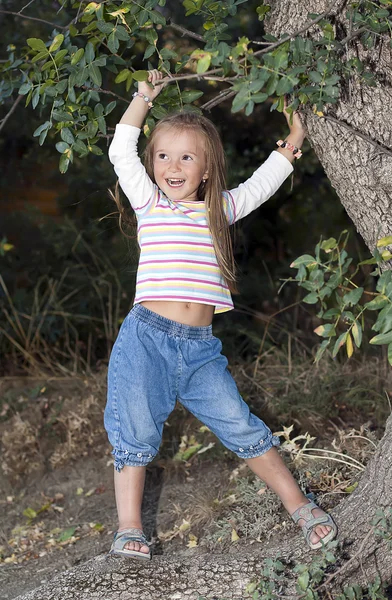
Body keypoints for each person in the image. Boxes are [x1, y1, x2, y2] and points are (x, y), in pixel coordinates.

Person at [104, 69, 337, 560]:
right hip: (147, 338)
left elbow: (262, 185)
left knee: (242, 425)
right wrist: (142, 99)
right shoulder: (150, 203)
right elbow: (120, 151)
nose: (172, 165)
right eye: (163, 155)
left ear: (206, 168)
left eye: (186, 157)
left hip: (201, 351)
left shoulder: (220, 210)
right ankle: (129, 529)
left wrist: (294, 139)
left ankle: (300, 507)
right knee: (136, 432)